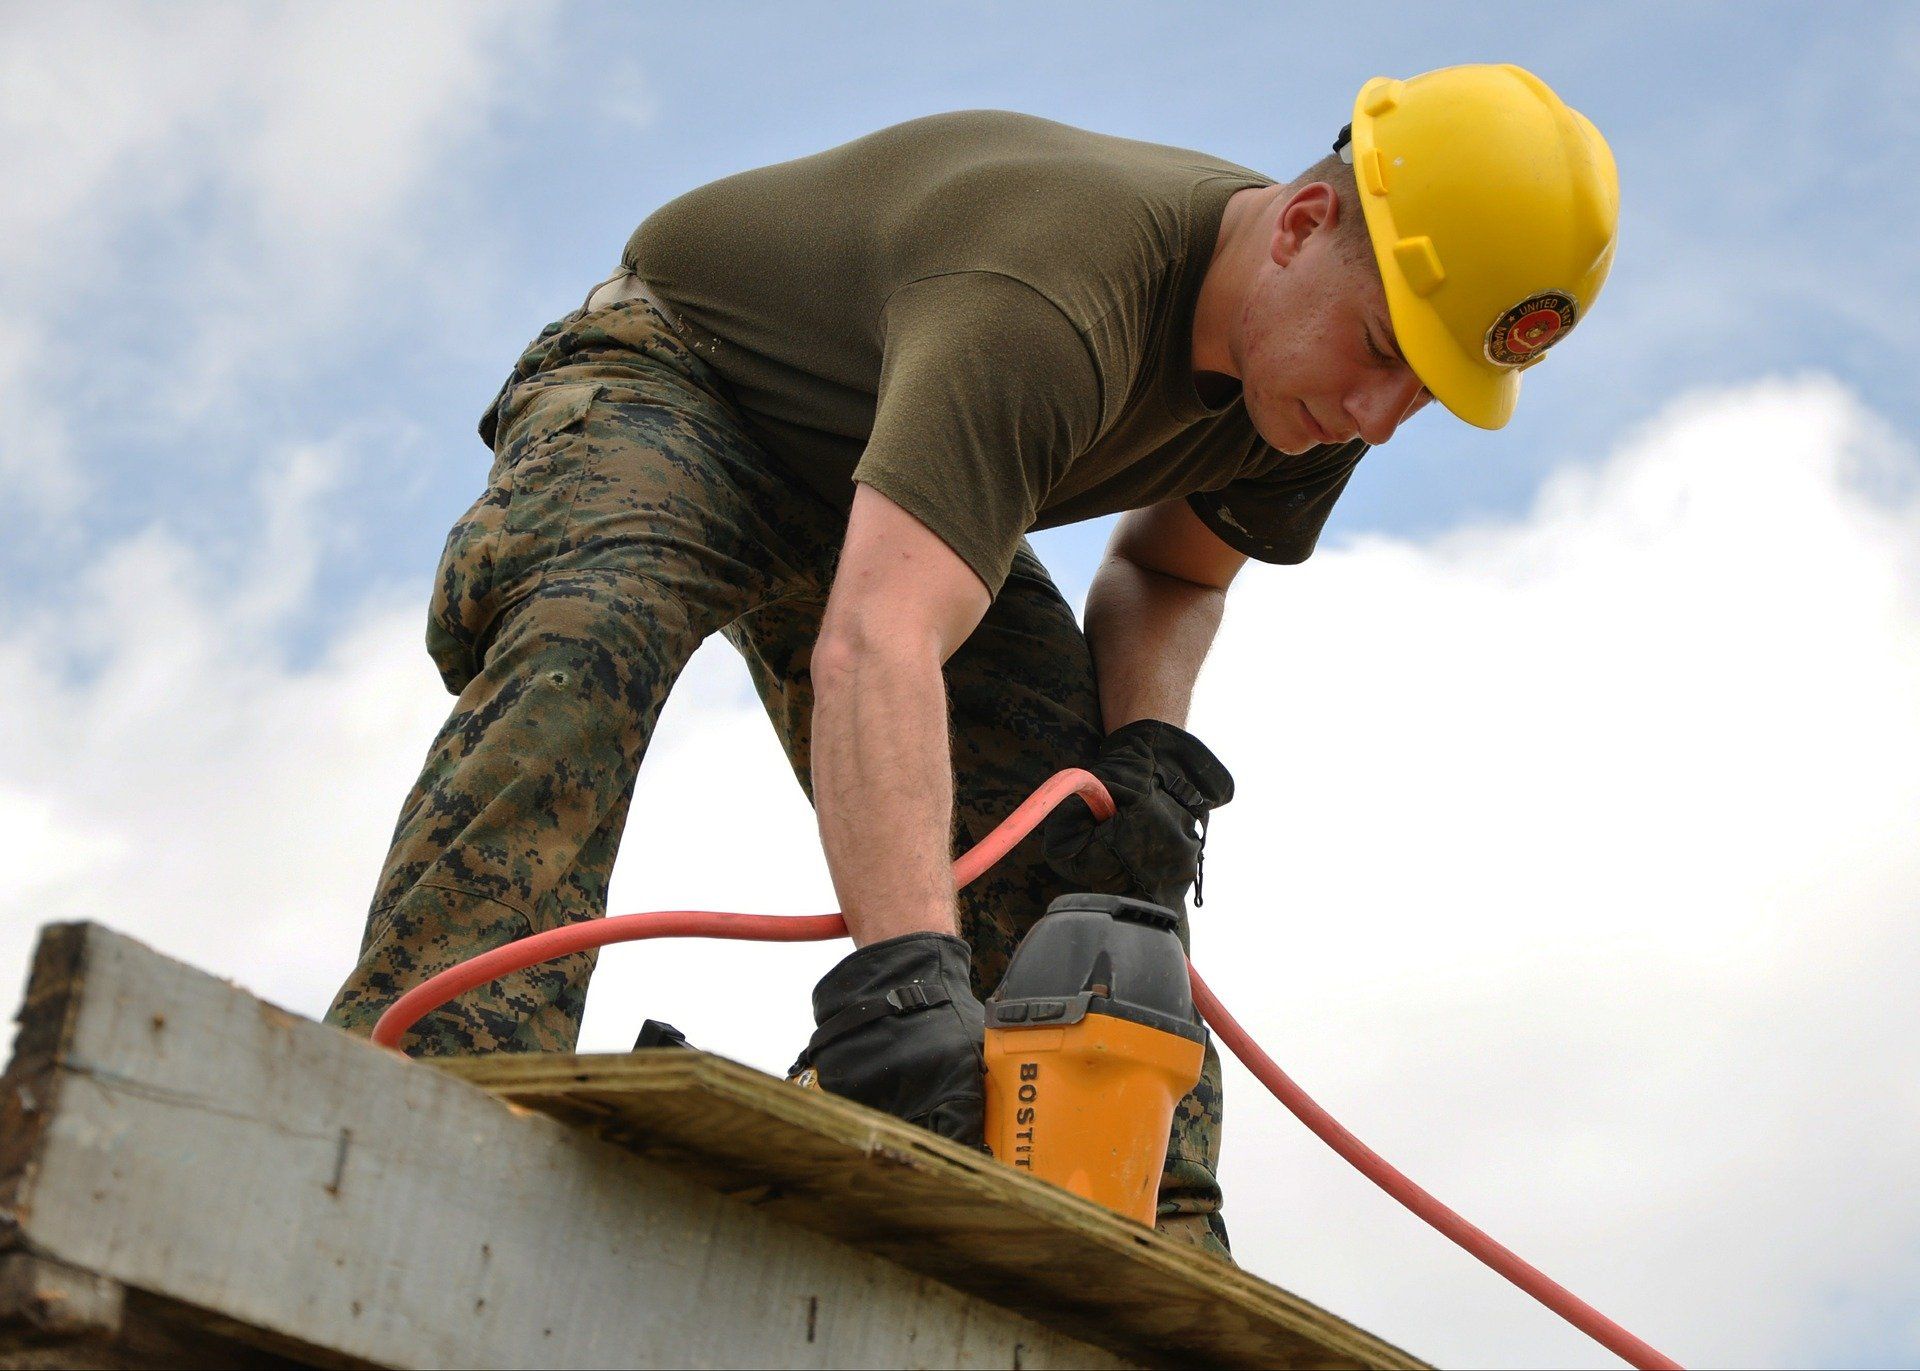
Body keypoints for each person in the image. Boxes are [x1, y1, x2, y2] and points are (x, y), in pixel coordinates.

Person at [325, 64, 1618, 1258]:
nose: (1377, 418)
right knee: (590, 639)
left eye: (1429, 393)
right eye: (1386, 352)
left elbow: (1170, 572)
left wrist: (1145, 750)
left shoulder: (1323, 389)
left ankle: (1147, 1223)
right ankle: (426, 1074)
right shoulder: (1052, 299)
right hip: (690, 386)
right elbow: (878, 639)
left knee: (1093, 825)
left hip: (897, 483)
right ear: (1299, 228)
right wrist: (902, 980)